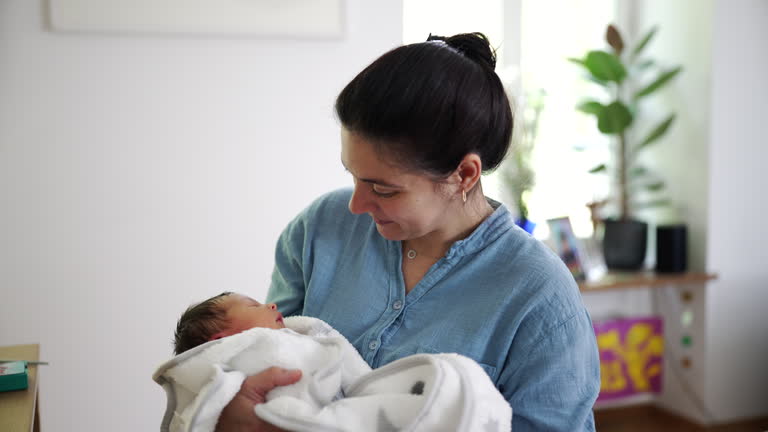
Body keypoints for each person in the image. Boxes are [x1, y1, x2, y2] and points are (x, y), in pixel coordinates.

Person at [218, 32, 600, 431]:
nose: (357, 206)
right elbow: (261, 355)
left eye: (384, 189)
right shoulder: (320, 229)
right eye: (354, 176)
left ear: (464, 174)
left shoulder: (539, 298)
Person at [157, 292, 511, 432]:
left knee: (451, 383)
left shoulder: (302, 337)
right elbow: (201, 414)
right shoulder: (231, 368)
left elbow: (357, 380)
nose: (273, 306)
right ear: (222, 342)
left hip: (341, 406)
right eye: (254, 306)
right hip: (302, 414)